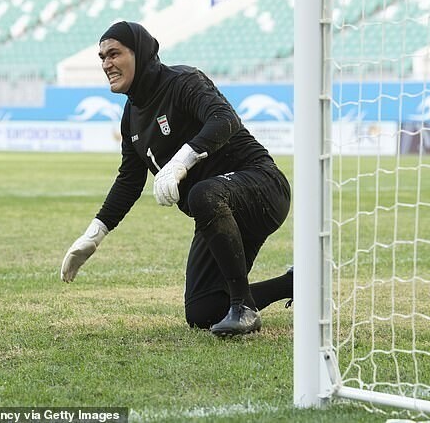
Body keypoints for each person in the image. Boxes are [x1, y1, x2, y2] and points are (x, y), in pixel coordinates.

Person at [60, 21, 293, 336]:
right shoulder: (131, 116)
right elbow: (129, 181)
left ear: (140, 53)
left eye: (114, 54)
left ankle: (244, 308)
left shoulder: (183, 81)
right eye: (102, 57)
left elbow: (225, 119)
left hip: (263, 188)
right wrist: (94, 235)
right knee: (202, 311)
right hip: (217, 207)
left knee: (202, 194)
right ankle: (296, 283)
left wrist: (182, 160)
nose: (106, 64)